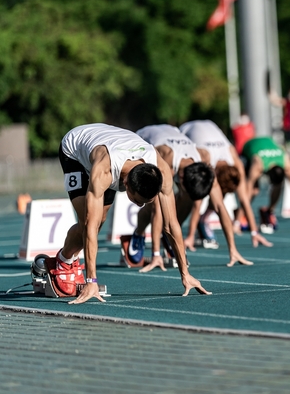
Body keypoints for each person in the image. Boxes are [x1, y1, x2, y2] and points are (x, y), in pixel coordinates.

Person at [56, 123, 211, 304]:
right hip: (74, 148)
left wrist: (185, 273)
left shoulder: (161, 169)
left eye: (146, 202)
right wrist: (91, 281)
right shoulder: (103, 173)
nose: (140, 205)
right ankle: (64, 260)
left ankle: (69, 257)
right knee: (88, 222)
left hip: (113, 141)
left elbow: (171, 225)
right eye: (138, 201)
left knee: (102, 219)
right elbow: (90, 227)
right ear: (126, 184)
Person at [128, 124, 253, 273]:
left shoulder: (203, 163)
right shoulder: (165, 160)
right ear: (180, 178)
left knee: (187, 199)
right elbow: (157, 209)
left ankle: (168, 237)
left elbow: (220, 206)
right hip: (143, 138)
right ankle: (139, 233)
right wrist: (156, 254)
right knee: (152, 201)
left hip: (172, 133)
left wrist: (233, 249)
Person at [180, 120, 272, 248]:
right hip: (185, 130)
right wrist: (190, 236)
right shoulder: (204, 157)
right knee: (190, 193)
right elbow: (197, 203)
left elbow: (244, 200)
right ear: (215, 174)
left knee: (217, 195)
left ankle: (203, 220)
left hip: (210, 125)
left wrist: (254, 232)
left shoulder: (236, 163)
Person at [242, 136, 290, 233]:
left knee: (278, 185)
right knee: (254, 191)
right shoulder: (258, 164)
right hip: (248, 147)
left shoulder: (287, 164)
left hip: (267, 142)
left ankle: (268, 211)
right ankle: (241, 216)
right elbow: (247, 190)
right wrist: (237, 223)